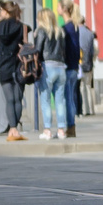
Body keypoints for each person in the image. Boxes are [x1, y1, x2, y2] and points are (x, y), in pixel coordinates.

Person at [0, 0, 26, 141]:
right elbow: (24, 45)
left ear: (5, 12)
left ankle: (11, 128)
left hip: (4, 66)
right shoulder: (21, 26)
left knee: (9, 99)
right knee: (18, 99)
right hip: (18, 65)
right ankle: (15, 127)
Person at [32, 8, 67, 140]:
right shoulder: (60, 32)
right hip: (60, 67)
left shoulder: (41, 31)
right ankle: (61, 130)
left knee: (45, 100)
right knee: (60, 101)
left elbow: (38, 50)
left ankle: (47, 130)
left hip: (47, 67)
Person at [59, 0, 80, 136]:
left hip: (68, 66)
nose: (57, 9)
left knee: (68, 99)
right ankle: (71, 127)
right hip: (74, 66)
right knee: (71, 97)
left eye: (58, 6)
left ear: (64, 9)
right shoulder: (75, 26)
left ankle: (70, 127)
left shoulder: (66, 28)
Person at [77, 14, 97, 116]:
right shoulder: (90, 34)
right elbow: (93, 51)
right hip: (89, 63)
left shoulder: (76, 33)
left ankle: (84, 110)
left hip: (79, 63)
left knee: (81, 88)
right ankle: (92, 109)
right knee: (89, 87)